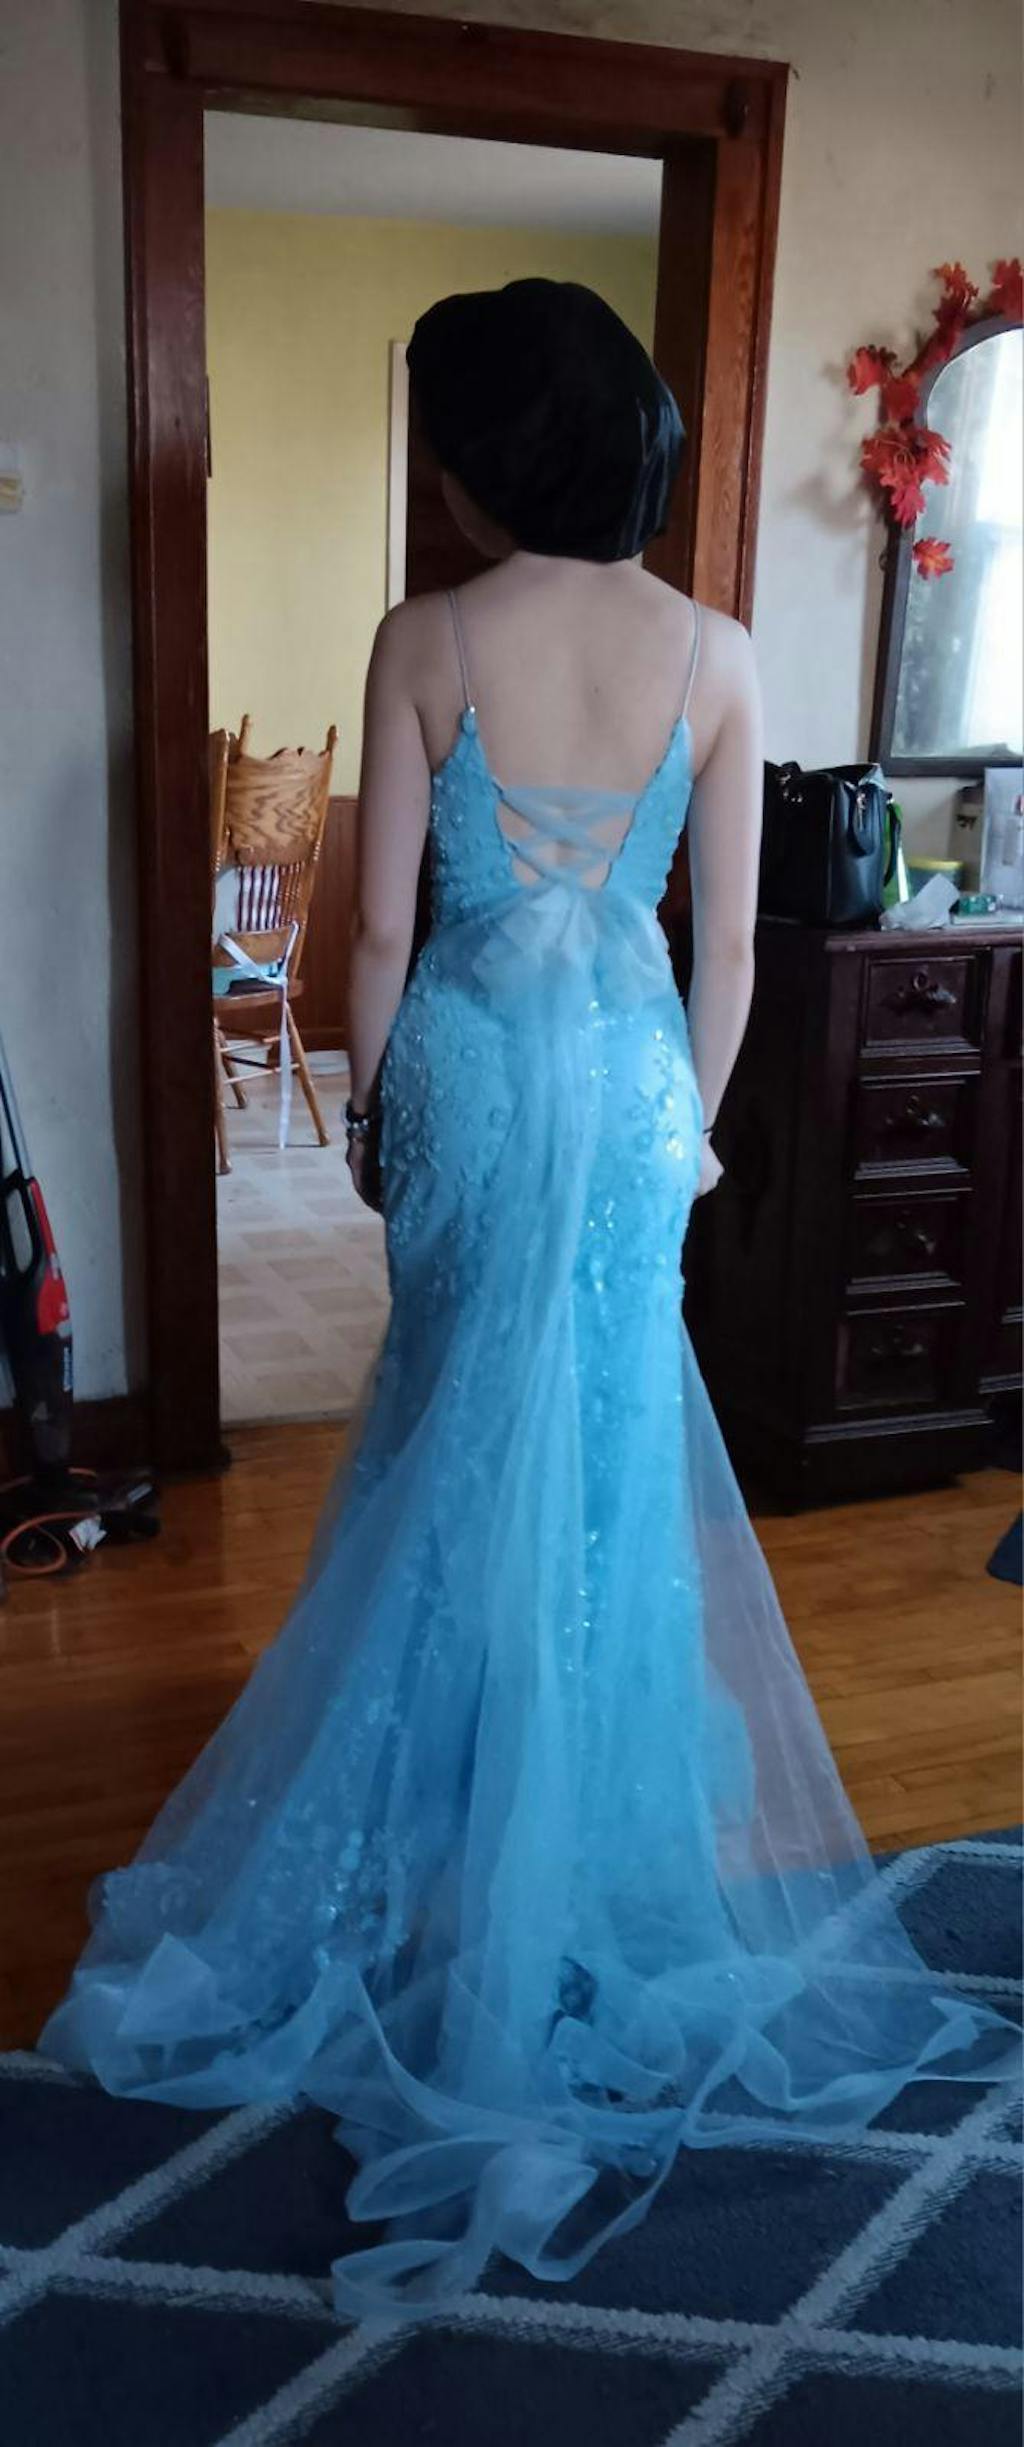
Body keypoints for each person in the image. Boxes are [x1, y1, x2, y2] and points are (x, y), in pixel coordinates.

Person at [38, 280, 1019, 2322]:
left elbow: (378, 937)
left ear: (484, 461)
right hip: (635, 1089)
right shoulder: (719, 652)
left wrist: (378, 1127)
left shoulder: (430, 636)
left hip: (479, 1077)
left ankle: (445, 1839)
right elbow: (728, 950)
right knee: (597, 1456)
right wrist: (691, 1139)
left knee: (448, 1429)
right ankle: (561, 1859)